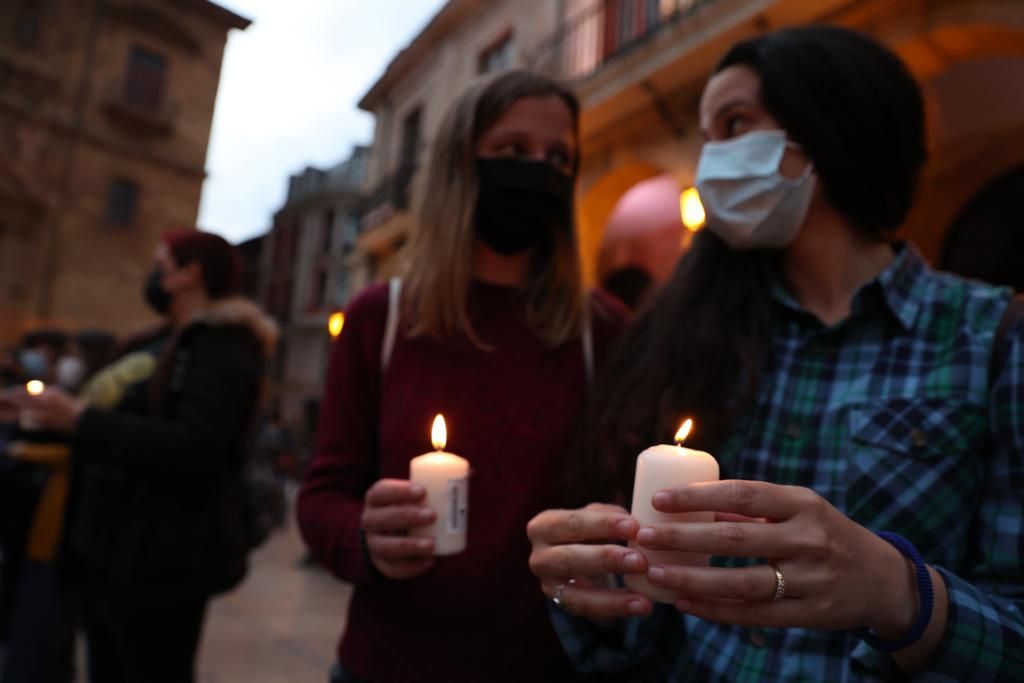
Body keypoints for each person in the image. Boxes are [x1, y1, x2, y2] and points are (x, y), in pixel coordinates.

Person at [527, 25, 1024, 681]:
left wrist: (904, 592)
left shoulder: (992, 337)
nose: (712, 163)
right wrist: (584, 583)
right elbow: (649, 614)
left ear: (833, 125)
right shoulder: (682, 334)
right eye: (708, 140)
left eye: (736, 124)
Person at [297, 70, 628, 683]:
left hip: (548, 663)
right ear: (459, 165)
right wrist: (365, 540)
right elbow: (323, 496)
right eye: (512, 151)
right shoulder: (381, 319)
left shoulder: (603, 330)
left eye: (559, 156)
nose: (539, 170)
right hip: (390, 662)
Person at [6, 230, 277, 683]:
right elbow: (106, 421)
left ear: (190, 274)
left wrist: (80, 421)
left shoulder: (221, 345)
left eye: (160, 265)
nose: (152, 275)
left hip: (162, 564)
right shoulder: (153, 340)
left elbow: (195, 445)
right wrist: (39, 415)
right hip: (108, 551)